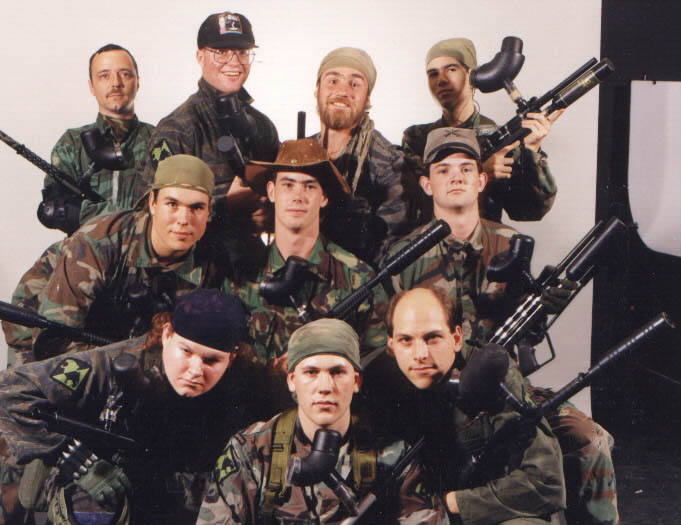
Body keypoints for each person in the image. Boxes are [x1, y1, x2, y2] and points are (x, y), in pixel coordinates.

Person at [384, 128, 619, 524]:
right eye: (443, 170)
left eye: (465, 169)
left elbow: (528, 335)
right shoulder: (403, 257)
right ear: (426, 184)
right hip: (436, 397)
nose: (456, 177)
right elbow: (391, 340)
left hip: (507, 390)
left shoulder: (511, 243)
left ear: (481, 180)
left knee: (590, 439)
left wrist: (544, 309)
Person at [0, 289, 259, 525]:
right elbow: (8, 390)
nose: (195, 371)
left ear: (231, 357)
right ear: (167, 334)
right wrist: (77, 460)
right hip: (97, 476)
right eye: (186, 352)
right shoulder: (111, 365)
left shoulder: (241, 387)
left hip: (171, 487)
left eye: (211, 361)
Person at [197, 318, 447, 524]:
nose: (325, 387)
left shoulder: (392, 456)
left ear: (356, 381)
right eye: (311, 372)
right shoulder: (250, 450)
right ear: (292, 380)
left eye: (337, 372)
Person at [381, 286, 566, 524]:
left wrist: (454, 503)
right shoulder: (378, 384)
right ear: (391, 346)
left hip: (488, 509)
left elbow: (546, 483)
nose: (420, 354)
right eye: (406, 340)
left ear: (457, 339)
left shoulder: (492, 373)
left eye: (433, 338)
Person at [239, 139, 388, 411]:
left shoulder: (358, 278)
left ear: (324, 197)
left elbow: (378, 360)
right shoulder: (242, 278)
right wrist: (271, 371)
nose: (298, 196)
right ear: (271, 191)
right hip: (258, 417)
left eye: (309, 186)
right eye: (288, 185)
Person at [32, 154, 226, 357]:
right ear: (153, 203)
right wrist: (139, 361)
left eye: (197, 207)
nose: (184, 220)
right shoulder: (98, 243)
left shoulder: (213, 259)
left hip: (121, 339)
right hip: (40, 323)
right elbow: (51, 345)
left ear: (209, 211)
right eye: (172, 204)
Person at [143, 11, 279, 237]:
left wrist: (270, 212)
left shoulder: (263, 126)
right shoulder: (178, 128)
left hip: (256, 257)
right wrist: (226, 207)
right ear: (200, 56)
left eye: (242, 52)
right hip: (197, 258)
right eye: (221, 52)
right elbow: (149, 213)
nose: (234, 62)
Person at [402, 38, 561, 223]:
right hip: (430, 239)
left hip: (485, 239)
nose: (441, 80)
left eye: (451, 69)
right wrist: (480, 173)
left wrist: (532, 149)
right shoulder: (417, 138)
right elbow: (409, 206)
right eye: (433, 74)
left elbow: (527, 211)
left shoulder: (503, 140)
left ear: (472, 75)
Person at [311, 47, 412, 263]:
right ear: (317, 90)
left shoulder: (389, 163)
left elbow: (391, 250)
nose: (342, 91)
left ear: (367, 99)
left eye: (354, 84)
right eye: (333, 81)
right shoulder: (300, 151)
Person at [45, 43, 154, 231]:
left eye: (125, 74)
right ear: (92, 86)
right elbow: (54, 210)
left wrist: (89, 213)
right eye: (104, 75)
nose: (116, 83)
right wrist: (125, 219)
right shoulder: (72, 144)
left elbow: (175, 207)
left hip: (146, 249)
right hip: (86, 248)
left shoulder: (159, 140)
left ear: (137, 82)